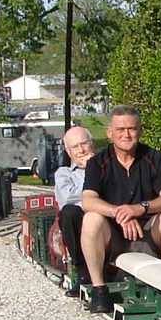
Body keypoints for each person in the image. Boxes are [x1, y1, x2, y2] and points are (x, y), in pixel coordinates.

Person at [79, 105, 161, 313]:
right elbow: (88, 200)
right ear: (109, 132)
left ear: (140, 131)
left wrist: (140, 208)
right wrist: (119, 212)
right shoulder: (98, 163)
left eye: (132, 129)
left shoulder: (155, 159)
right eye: (120, 129)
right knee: (90, 219)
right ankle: (99, 289)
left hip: (148, 232)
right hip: (114, 234)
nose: (126, 134)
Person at [52, 125, 96, 295]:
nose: (81, 150)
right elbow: (66, 198)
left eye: (84, 144)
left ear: (92, 143)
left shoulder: (108, 166)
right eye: (75, 147)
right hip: (78, 222)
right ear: (68, 152)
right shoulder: (64, 173)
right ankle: (83, 272)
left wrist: (94, 168)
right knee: (69, 212)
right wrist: (94, 181)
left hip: (106, 219)